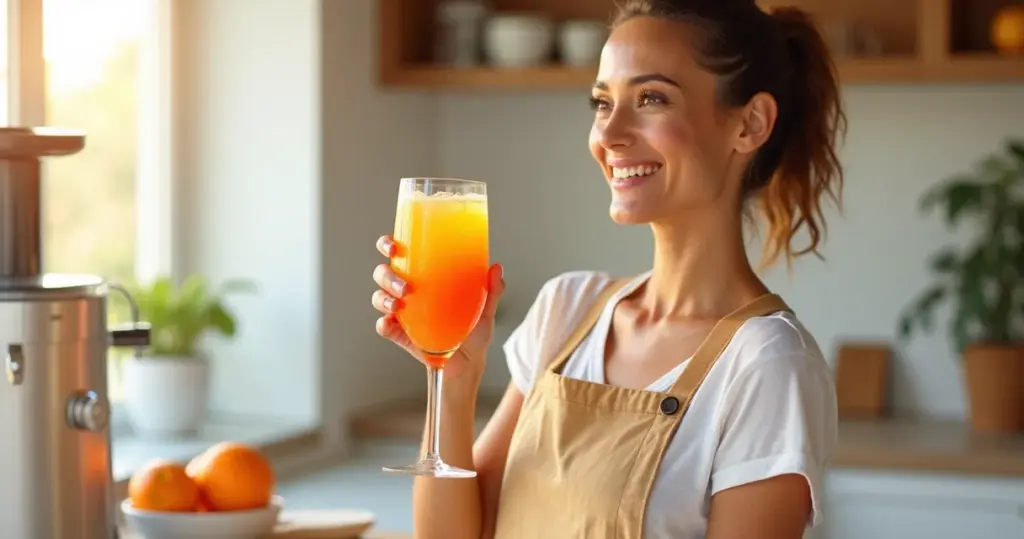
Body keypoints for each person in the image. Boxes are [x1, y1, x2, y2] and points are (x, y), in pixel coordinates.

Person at [370, 0, 846, 537]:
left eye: (650, 98)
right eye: (602, 102)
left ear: (750, 123)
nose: (610, 134)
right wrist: (454, 383)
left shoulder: (767, 363)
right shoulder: (567, 308)